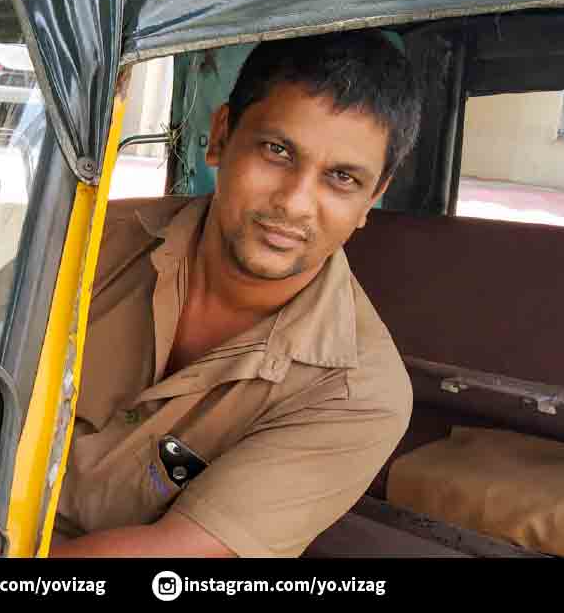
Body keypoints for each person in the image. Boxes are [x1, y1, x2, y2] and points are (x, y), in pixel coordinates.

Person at [45, 29, 423, 558]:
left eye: (342, 178)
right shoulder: (93, 239)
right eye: (277, 151)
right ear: (221, 136)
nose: (294, 203)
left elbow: (170, 557)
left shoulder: (359, 394)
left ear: (373, 198)